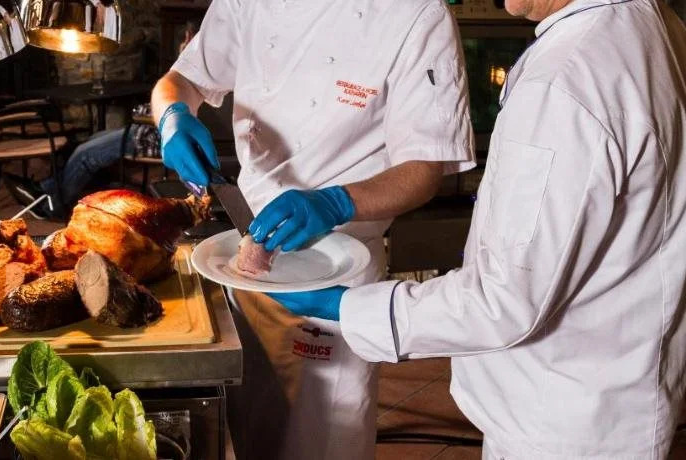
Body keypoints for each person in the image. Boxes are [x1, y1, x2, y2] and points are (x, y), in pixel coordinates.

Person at [268, 0, 686, 458]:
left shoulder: (565, 83)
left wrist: (347, 307)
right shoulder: (653, 25)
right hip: (619, 398)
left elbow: (503, 300)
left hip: (559, 423)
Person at [151, 0, 475, 458]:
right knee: (242, 433)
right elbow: (180, 82)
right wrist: (172, 116)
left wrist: (337, 201)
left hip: (337, 273)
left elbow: (424, 169)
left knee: (322, 442)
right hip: (245, 261)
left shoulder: (417, 14)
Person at [5, 108, 160, 218]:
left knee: (85, 154)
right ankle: (45, 188)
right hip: (142, 127)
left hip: (151, 135)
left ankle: (51, 207)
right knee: (89, 141)